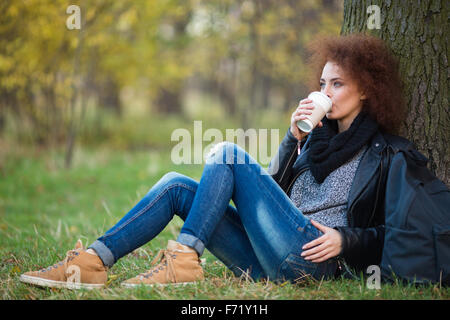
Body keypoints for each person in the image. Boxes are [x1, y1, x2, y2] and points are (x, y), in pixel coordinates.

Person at [20, 33, 411, 289]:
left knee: (226, 153)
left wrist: (346, 240)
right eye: (323, 83)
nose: (325, 91)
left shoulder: (385, 152)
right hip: (268, 255)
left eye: (337, 84)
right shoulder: (316, 140)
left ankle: (185, 258)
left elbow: (397, 230)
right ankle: (91, 262)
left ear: (366, 91)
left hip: (311, 260)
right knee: (176, 184)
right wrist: (293, 139)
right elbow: (271, 195)